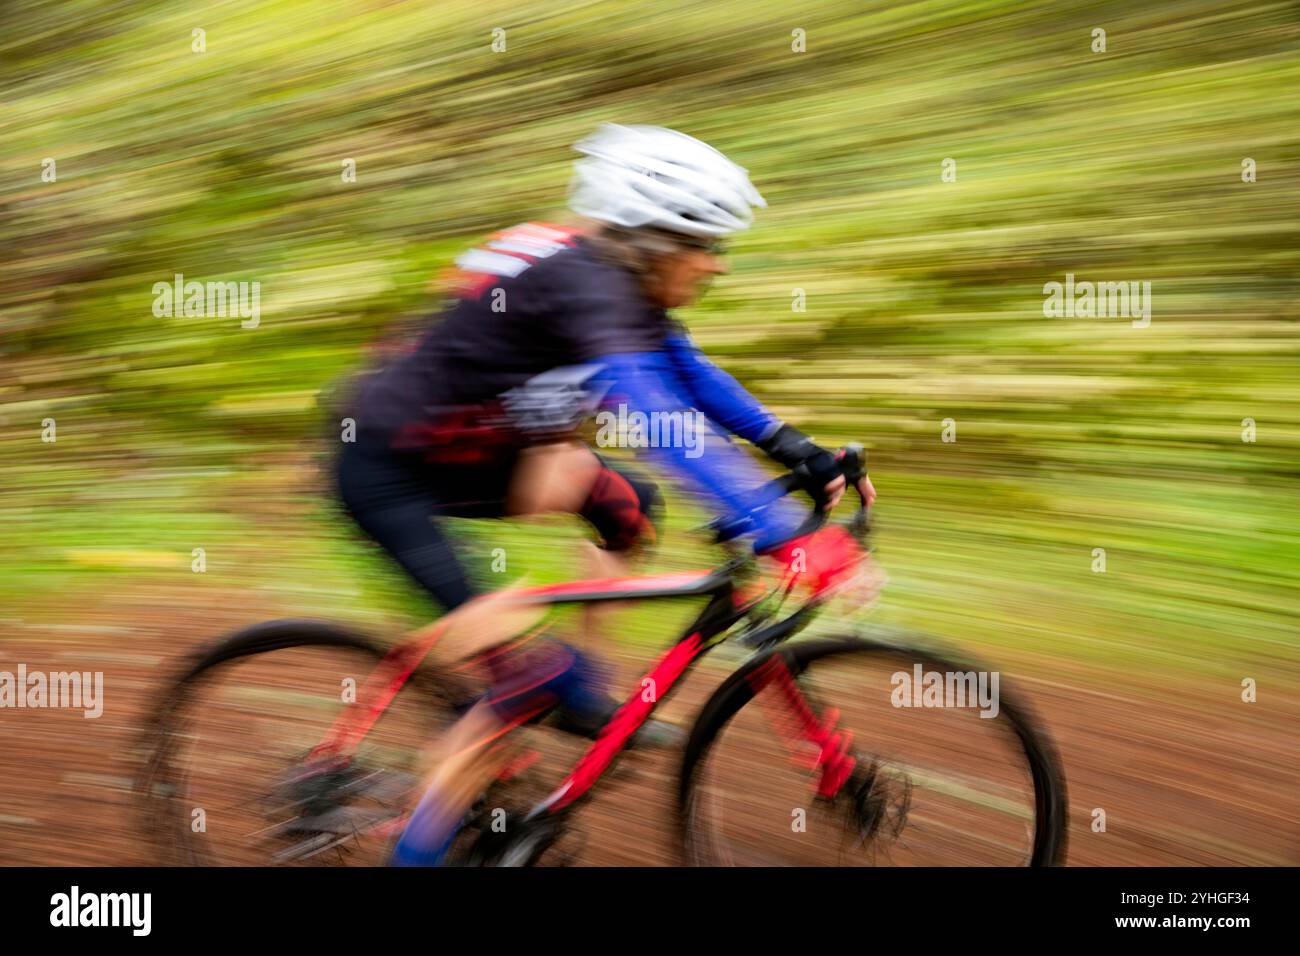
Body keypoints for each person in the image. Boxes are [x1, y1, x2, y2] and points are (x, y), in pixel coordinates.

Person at [335, 123, 876, 865]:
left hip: (473, 445)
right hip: (386, 468)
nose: (716, 266)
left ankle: (584, 693)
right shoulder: (585, 288)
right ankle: (425, 840)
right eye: (707, 246)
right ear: (654, 241)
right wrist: (783, 531)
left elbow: (688, 375)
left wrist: (794, 450)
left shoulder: (615, 282)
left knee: (625, 505)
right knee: (526, 681)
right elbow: (651, 413)